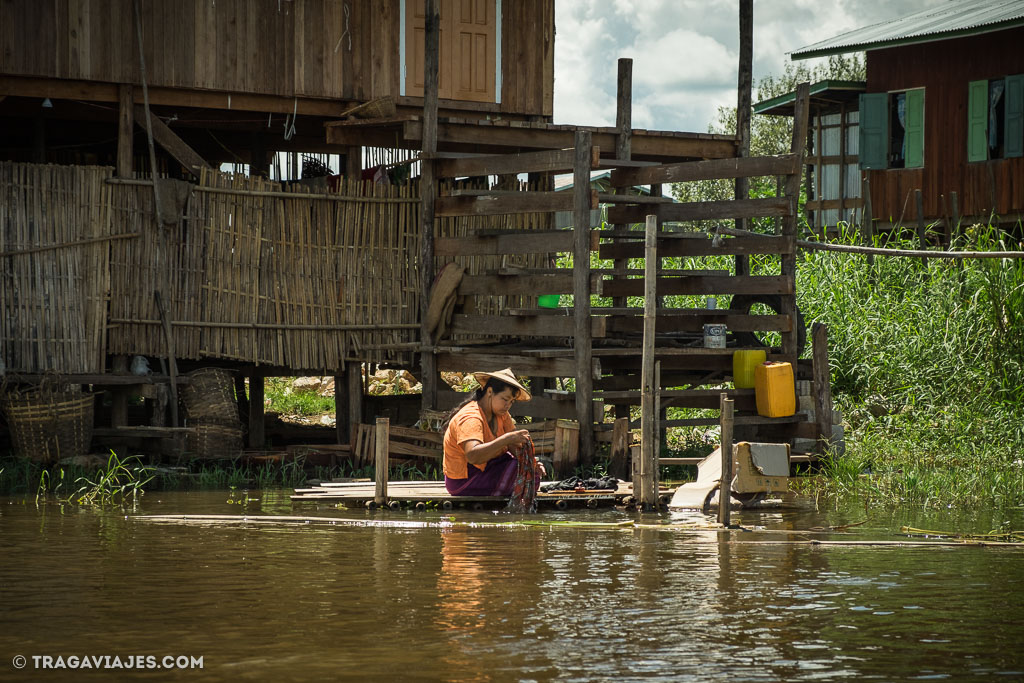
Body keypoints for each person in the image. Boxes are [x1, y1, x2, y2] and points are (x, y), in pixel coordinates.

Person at [442, 368, 545, 496]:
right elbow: (473, 456)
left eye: (511, 402)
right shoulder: (471, 417)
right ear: (490, 391)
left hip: (489, 469)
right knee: (519, 472)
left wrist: (532, 463)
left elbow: (515, 447)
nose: (508, 405)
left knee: (530, 472)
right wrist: (506, 439)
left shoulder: (501, 414)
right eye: (505, 399)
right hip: (463, 481)